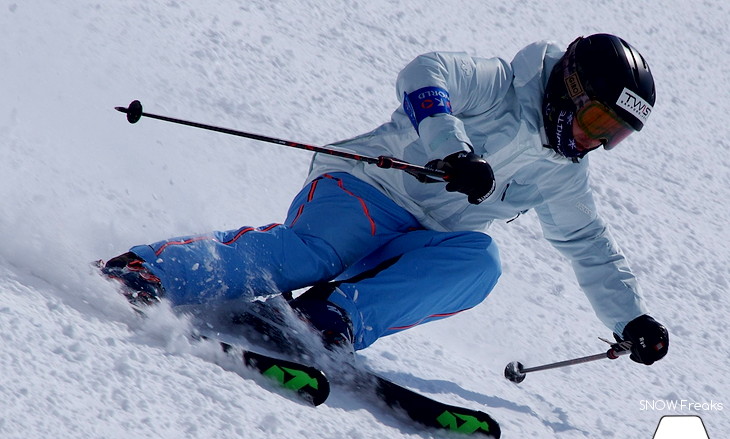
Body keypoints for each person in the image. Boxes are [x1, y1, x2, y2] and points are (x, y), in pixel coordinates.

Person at [103, 33, 668, 365]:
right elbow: (426, 70)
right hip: (366, 189)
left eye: (612, 135)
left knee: (480, 262)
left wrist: (632, 319)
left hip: (421, 240)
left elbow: (589, 246)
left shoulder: (565, 171)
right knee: (316, 255)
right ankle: (149, 270)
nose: (593, 139)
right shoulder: (502, 84)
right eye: (596, 119)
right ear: (572, 89)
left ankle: (326, 320)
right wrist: (453, 150)